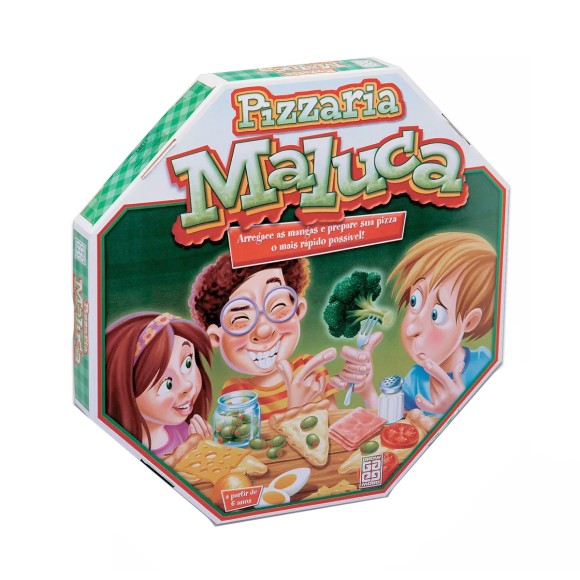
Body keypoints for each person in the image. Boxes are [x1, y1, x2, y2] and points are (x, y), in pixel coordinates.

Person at [190, 255, 381, 419]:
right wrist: (295, 409)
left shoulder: (308, 369)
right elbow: (248, 447)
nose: (264, 330)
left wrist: (367, 391)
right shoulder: (238, 394)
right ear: (216, 338)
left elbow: (336, 434)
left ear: (298, 310)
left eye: (278, 307)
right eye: (241, 319)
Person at [388, 232, 496, 417]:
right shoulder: (415, 379)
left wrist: (459, 406)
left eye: (436, 314)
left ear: (469, 322)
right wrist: (366, 389)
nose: (412, 329)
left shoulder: (485, 365)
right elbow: (391, 423)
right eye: (414, 301)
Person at [105, 312, 213, 457]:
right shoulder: (123, 448)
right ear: (125, 392)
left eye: (187, 363)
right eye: (166, 384)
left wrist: (204, 450)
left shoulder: (185, 431)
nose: (186, 386)